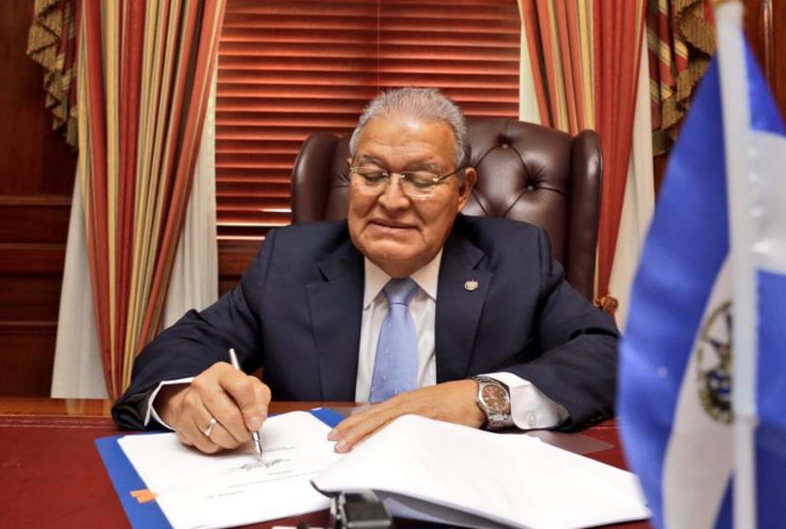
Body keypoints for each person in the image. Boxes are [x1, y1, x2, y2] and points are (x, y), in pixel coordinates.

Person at [112, 87, 619, 454]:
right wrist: (182, 399)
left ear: (463, 191)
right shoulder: (290, 261)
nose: (391, 201)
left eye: (421, 178)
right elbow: (176, 352)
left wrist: (481, 398)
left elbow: (609, 358)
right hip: (313, 492)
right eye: (372, 175)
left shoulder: (516, 258)